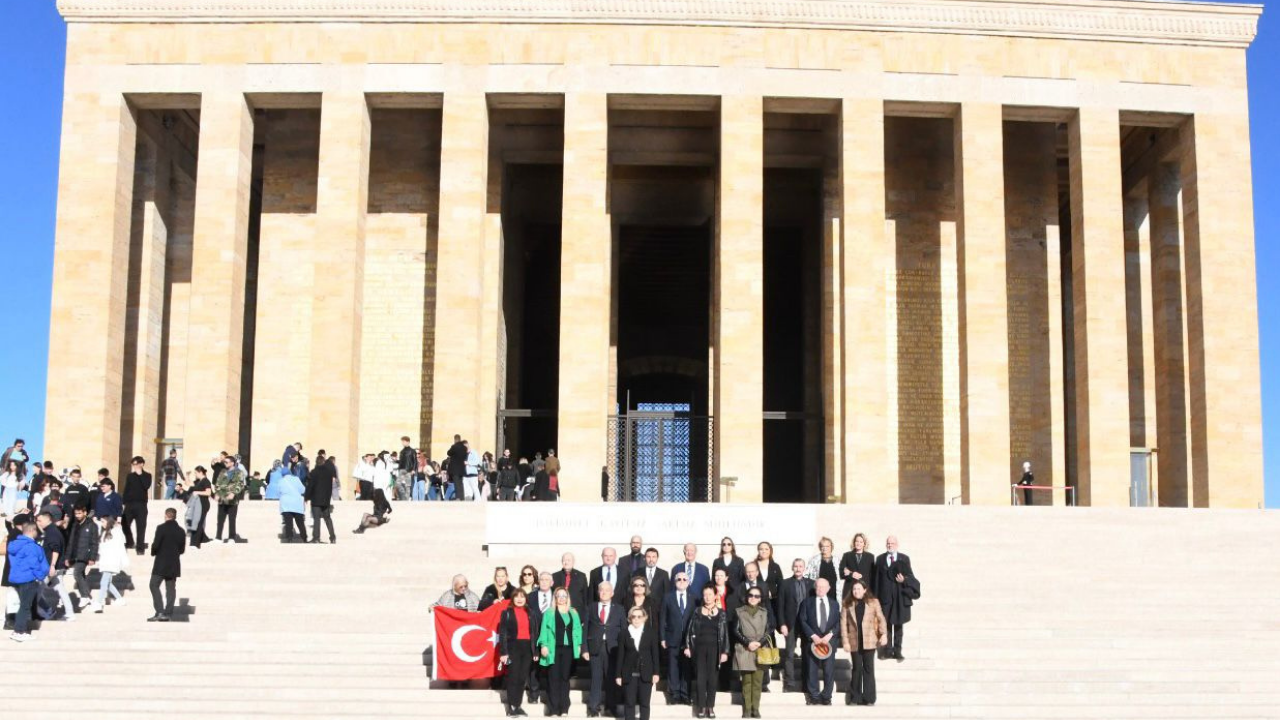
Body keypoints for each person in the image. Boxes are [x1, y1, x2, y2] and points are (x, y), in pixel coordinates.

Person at [683, 583, 729, 719]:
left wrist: (725, 652)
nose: (707, 597)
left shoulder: (721, 614)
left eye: (710, 594)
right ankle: (701, 706)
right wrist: (687, 647)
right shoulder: (697, 611)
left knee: (712, 679)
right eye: (705, 594)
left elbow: (724, 634)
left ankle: (710, 707)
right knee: (700, 678)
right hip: (699, 649)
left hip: (715, 649)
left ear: (715, 596)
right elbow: (690, 630)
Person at [537, 586, 583, 717]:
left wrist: (579, 644)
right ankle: (553, 709)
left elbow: (578, 629)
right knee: (553, 678)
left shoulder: (573, 612)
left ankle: (564, 708)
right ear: (555, 598)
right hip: (553, 649)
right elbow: (544, 631)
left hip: (568, 649)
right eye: (559, 596)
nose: (562, 598)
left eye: (564, 596)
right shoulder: (549, 612)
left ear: (567, 598)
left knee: (565, 678)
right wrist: (543, 645)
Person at [872, 536, 919, 662]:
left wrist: (905, 580)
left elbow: (910, 576)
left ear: (897, 544)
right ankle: (887, 650)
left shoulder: (904, 558)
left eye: (892, 543)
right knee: (885, 624)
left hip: (899, 598)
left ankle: (897, 651)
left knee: (898, 625)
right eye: (888, 543)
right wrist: (875, 598)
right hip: (884, 598)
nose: (890, 545)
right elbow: (876, 580)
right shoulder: (880, 559)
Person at [840, 580, 887, 706]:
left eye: (859, 589)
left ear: (865, 590)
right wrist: (845, 642)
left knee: (868, 668)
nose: (856, 591)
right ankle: (855, 697)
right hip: (854, 641)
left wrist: (883, 634)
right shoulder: (847, 604)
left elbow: (881, 618)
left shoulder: (873, 602)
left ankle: (869, 698)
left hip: (870, 640)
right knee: (856, 669)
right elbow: (844, 625)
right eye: (854, 589)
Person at [583, 581, 623, 718]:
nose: (604, 592)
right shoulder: (591, 607)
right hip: (595, 648)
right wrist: (584, 649)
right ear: (598, 592)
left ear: (612, 593)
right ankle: (593, 708)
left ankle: (611, 708)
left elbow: (623, 631)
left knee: (611, 678)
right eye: (601, 590)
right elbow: (585, 630)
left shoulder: (619, 609)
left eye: (607, 590)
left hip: (613, 648)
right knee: (596, 678)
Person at [799, 578, 841, 706]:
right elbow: (802, 620)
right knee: (812, 668)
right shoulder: (807, 602)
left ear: (829, 588)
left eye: (823, 587)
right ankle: (814, 696)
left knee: (829, 669)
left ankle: (827, 696)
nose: (820, 589)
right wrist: (813, 636)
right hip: (813, 641)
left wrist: (830, 634)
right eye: (818, 586)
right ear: (814, 588)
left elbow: (838, 622)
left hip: (829, 641)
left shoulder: (834, 604)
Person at [733, 585, 774, 719]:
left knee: (757, 681)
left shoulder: (764, 612)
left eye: (756, 596)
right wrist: (747, 643)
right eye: (750, 595)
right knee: (746, 681)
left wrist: (760, 643)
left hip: (760, 648)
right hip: (745, 648)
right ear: (746, 597)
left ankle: (755, 709)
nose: (753, 598)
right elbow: (735, 630)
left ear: (760, 598)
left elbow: (769, 630)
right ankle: (747, 709)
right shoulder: (739, 611)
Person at [614, 606, 660, 720]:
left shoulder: (651, 633)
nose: (636, 619)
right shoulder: (624, 633)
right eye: (633, 616)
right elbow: (620, 656)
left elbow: (655, 654)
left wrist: (656, 672)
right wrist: (618, 675)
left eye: (639, 616)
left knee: (645, 703)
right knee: (629, 703)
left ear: (644, 618)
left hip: (646, 673)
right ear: (629, 618)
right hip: (629, 674)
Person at [7, 517, 48, 642]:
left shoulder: (15, 544)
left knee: (23, 605)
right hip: (28, 579)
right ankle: (19, 631)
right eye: (36, 531)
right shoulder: (31, 546)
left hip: (17, 578)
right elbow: (34, 564)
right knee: (25, 606)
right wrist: (40, 575)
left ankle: (19, 629)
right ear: (32, 531)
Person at [499, 588, 537, 717]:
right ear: (512, 599)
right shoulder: (506, 613)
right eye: (517, 596)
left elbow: (534, 633)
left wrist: (535, 651)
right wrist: (503, 652)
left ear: (526, 599)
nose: (519, 599)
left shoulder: (531, 613)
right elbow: (502, 633)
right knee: (513, 677)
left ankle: (518, 705)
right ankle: (511, 707)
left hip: (527, 649)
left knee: (522, 678)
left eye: (522, 596)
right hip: (513, 648)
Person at [777, 558, 812, 693]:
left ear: (804, 568)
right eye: (796, 566)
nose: (798, 568)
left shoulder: (811, 584)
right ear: (792, 568)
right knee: (789, 654)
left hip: (806, 624)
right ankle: (789, 683)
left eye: (800, 566)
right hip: (790, 624)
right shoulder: (785, 584)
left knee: (806, 654)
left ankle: (806, 683)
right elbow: (780, 606)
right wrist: (782, 624)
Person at [662, 568, 696, 706]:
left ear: (688, 582)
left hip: (688, 640)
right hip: (672, 638)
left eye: (684, 579)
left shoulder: (694, 598)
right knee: (673, 667)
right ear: (674, 582)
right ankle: (674, 694)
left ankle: (685, 694)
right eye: (679, 579)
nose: (681, 581)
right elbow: (663, 618)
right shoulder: (667, 597)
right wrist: (662, 638)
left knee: (686, 668)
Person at [34, 510, 75, 621]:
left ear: (48, 520)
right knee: (60, 589)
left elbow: (55, 550)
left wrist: (52, 566)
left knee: (36, 591)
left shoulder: (52, 532)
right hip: (53, 567)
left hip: (51, 568)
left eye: (40, 520)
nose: (38, 522)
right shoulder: (50, 530)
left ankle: (35, 613)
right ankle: (69, 613)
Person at [148, 507, 185, 621]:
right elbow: (182, 549)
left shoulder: (161, 528)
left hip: (161, 562)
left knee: (153, 585)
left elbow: (156, 545)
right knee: (170, 588)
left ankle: (159, 611)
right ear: (175, 516)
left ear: (166, 515)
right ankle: (168, 613)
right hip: (174, 563)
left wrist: (153, 552)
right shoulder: (181, 530)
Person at [92, 516, 129, 613]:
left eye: (103, 521)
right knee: (107, 583)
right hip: (105, 561)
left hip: (112, 561)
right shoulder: (104, 533)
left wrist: (122, 560)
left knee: (103, 582)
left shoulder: (116, 532)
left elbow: (120, 546)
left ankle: (98, 603)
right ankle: (120, 599)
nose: (102, 523)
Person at [66, 505, 99, 609]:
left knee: (76, 573)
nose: (77, 515)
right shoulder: (75, 524)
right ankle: (87, 597)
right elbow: (71, 542)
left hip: (85, 555)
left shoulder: (92, 525)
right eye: (76, 513)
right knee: (81, 575)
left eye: (79, 513)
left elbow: (95, 543)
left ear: (85, 513)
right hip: (75, 554)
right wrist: (68, 557)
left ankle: (86, 596)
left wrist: (92, 557)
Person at [122, 456, 151, 554]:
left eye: (136, 464)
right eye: (133, 464)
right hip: (129, 505)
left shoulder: (147, 475)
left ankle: (140, 548)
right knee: (124, 524)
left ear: (141, 464)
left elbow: (146, 486)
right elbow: (126, 490)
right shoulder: (130, 476)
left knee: (141, 527)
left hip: (141, 505)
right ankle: (130, 542)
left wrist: (141, 475)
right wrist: (123, 503)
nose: (134, 466)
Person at [304, 455, 336, 544]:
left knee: (317, 518)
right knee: (328, 518)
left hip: (316, 500)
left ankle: (316, 538)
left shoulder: (314, 472)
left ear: (316, 462)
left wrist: (306, 497)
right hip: (326, 500)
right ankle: (333, 537)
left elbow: (310, 486)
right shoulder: (329, 473)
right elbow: (330, 487)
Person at [213, 455, 246, 543]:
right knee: (220, 520)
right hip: (222, 499)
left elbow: (240, 484)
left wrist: (233, 493)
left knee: (232, 519)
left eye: (227, 462)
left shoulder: (239, 472)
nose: (225, 463)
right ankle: (218, 537)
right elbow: (218, 483)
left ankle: (232, 537)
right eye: (224, 462)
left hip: (232, 501)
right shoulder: (223, 471)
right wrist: (217, 493)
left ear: (232, 463)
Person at [179, 466, 213, 548]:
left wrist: (197, 492)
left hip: (203, 504)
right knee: (198, 521)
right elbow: (188, 484)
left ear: (200, 472)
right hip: (196, 505)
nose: (195, 475)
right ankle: (204, 539)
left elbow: (208, 493)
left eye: (196, 473)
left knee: (197, 522)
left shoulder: (206, 481)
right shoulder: (198, 481)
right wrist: (187, 476)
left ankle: (194, 543)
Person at [552, 552, 590, 618]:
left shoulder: (581, 576)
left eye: (569, 560)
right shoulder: (554, 576)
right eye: (564, 560)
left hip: (577, 614)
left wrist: (585, 616)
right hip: (559, 614)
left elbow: (586, 598)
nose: (566, 562)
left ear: (573, 562)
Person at [839, 533, 874, 601]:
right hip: (849, 590)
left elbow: (872, 575)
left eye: (861, 542)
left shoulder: (870, 557)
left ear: (864, 544)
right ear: (854, 542)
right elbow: (841, 573)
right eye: (857, 541)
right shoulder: (847, 555)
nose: (858, 543)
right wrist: (851, 574)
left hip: (864, 591)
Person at [278, 466, 307, 543]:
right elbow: (303, 490)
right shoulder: (296, 479)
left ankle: (289, 538)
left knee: (288, 523)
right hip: (297, 504)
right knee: (300, 523)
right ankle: (304, 538)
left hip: (286, 505)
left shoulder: (281, 481)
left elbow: (278, 491)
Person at [446, 434, 468, 500]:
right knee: (460, 484)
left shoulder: (454, 447)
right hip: (462, 469)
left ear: (455, 439)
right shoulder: (464, 448)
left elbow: (448, 453)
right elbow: (465, 456)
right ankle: (461, 497)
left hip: (455, 469)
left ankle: (458, 497)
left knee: (456, 484)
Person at [396, 436, 416, 502]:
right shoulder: (402, 451)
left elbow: (415, 461)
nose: (402, 443)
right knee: (398, 484)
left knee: (408, 485)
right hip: (401, 469)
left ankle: (406, 498)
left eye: (403, 441)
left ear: (407, 442)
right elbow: (401, 461)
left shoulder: (412, 451)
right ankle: (403, 496)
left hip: (408, 470)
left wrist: (413, 469)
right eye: (402, 441)